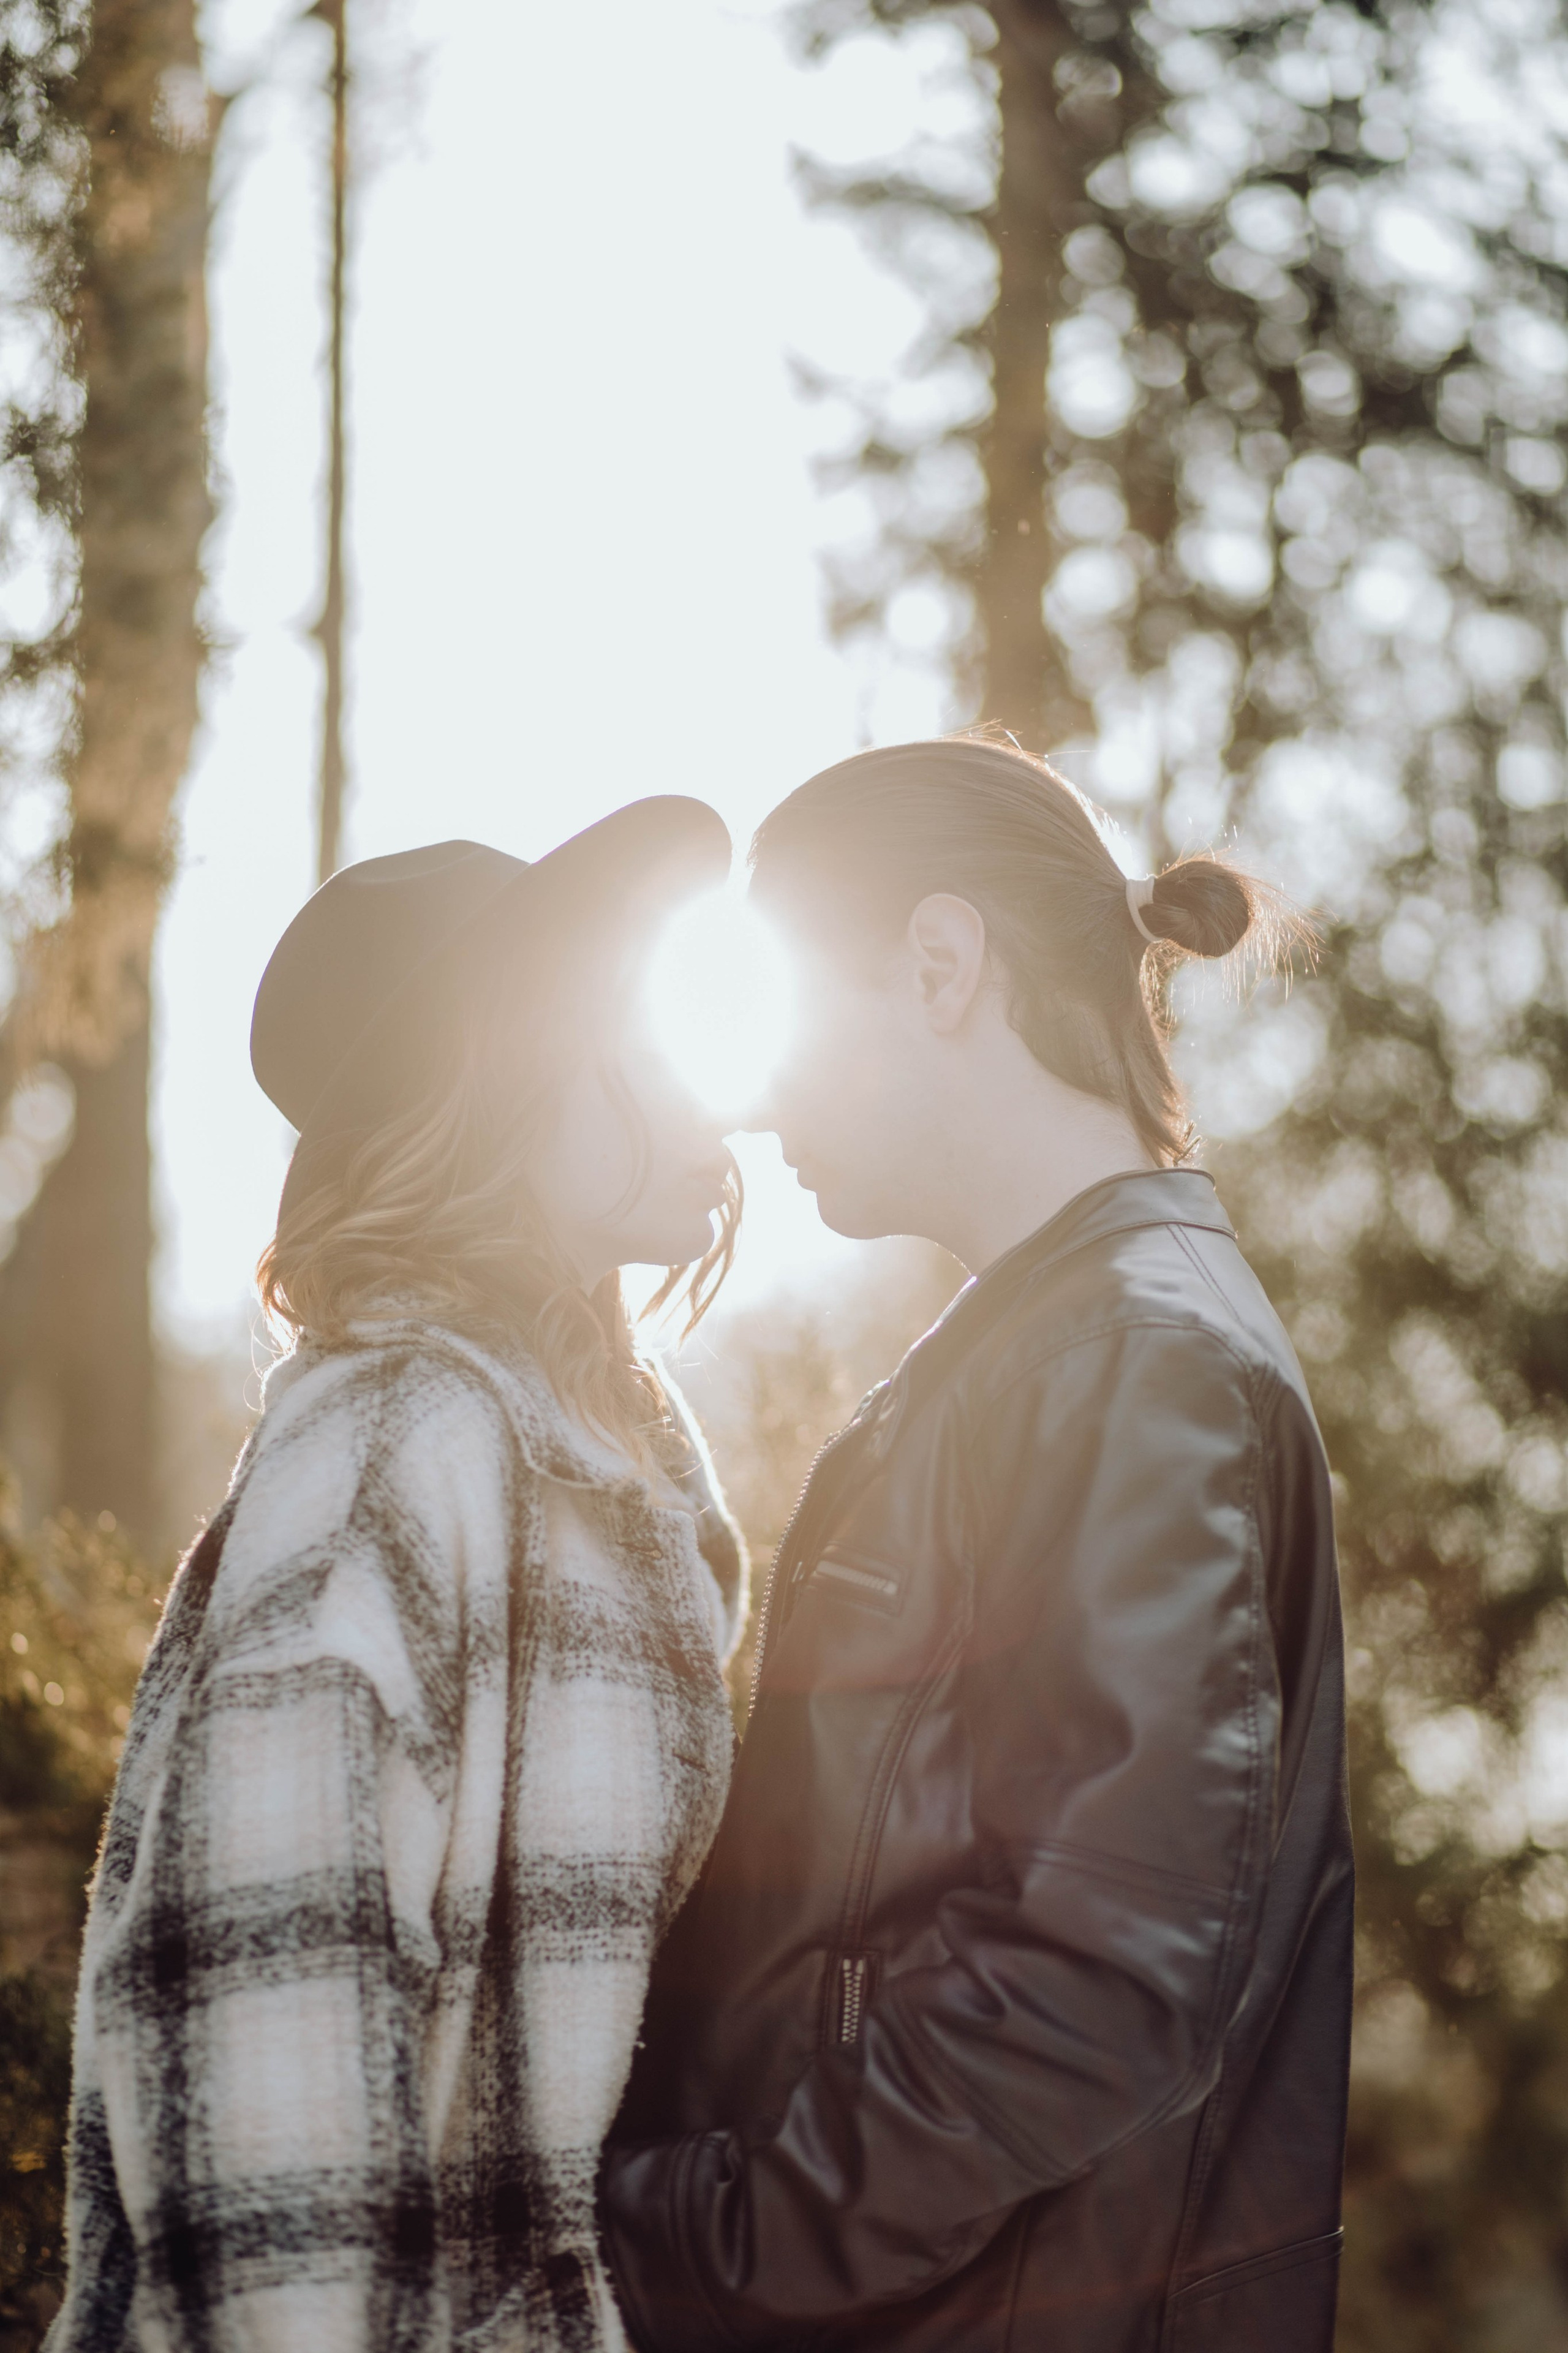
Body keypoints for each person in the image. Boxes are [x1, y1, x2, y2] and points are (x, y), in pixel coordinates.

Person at [602, 736, 1354, 2353]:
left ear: (941, 964)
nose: (752, 1092)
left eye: (786, 1013)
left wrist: (688, 2235)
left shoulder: (1140, 1357)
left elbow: (1098, 1988)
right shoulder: (1053, 1341)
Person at [48, 801, 748, 2353]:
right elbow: (264, 2073)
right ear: (496, 1089)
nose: (707, 1096)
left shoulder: (606, 1463)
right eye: (636, 1040)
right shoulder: (393, 1440)